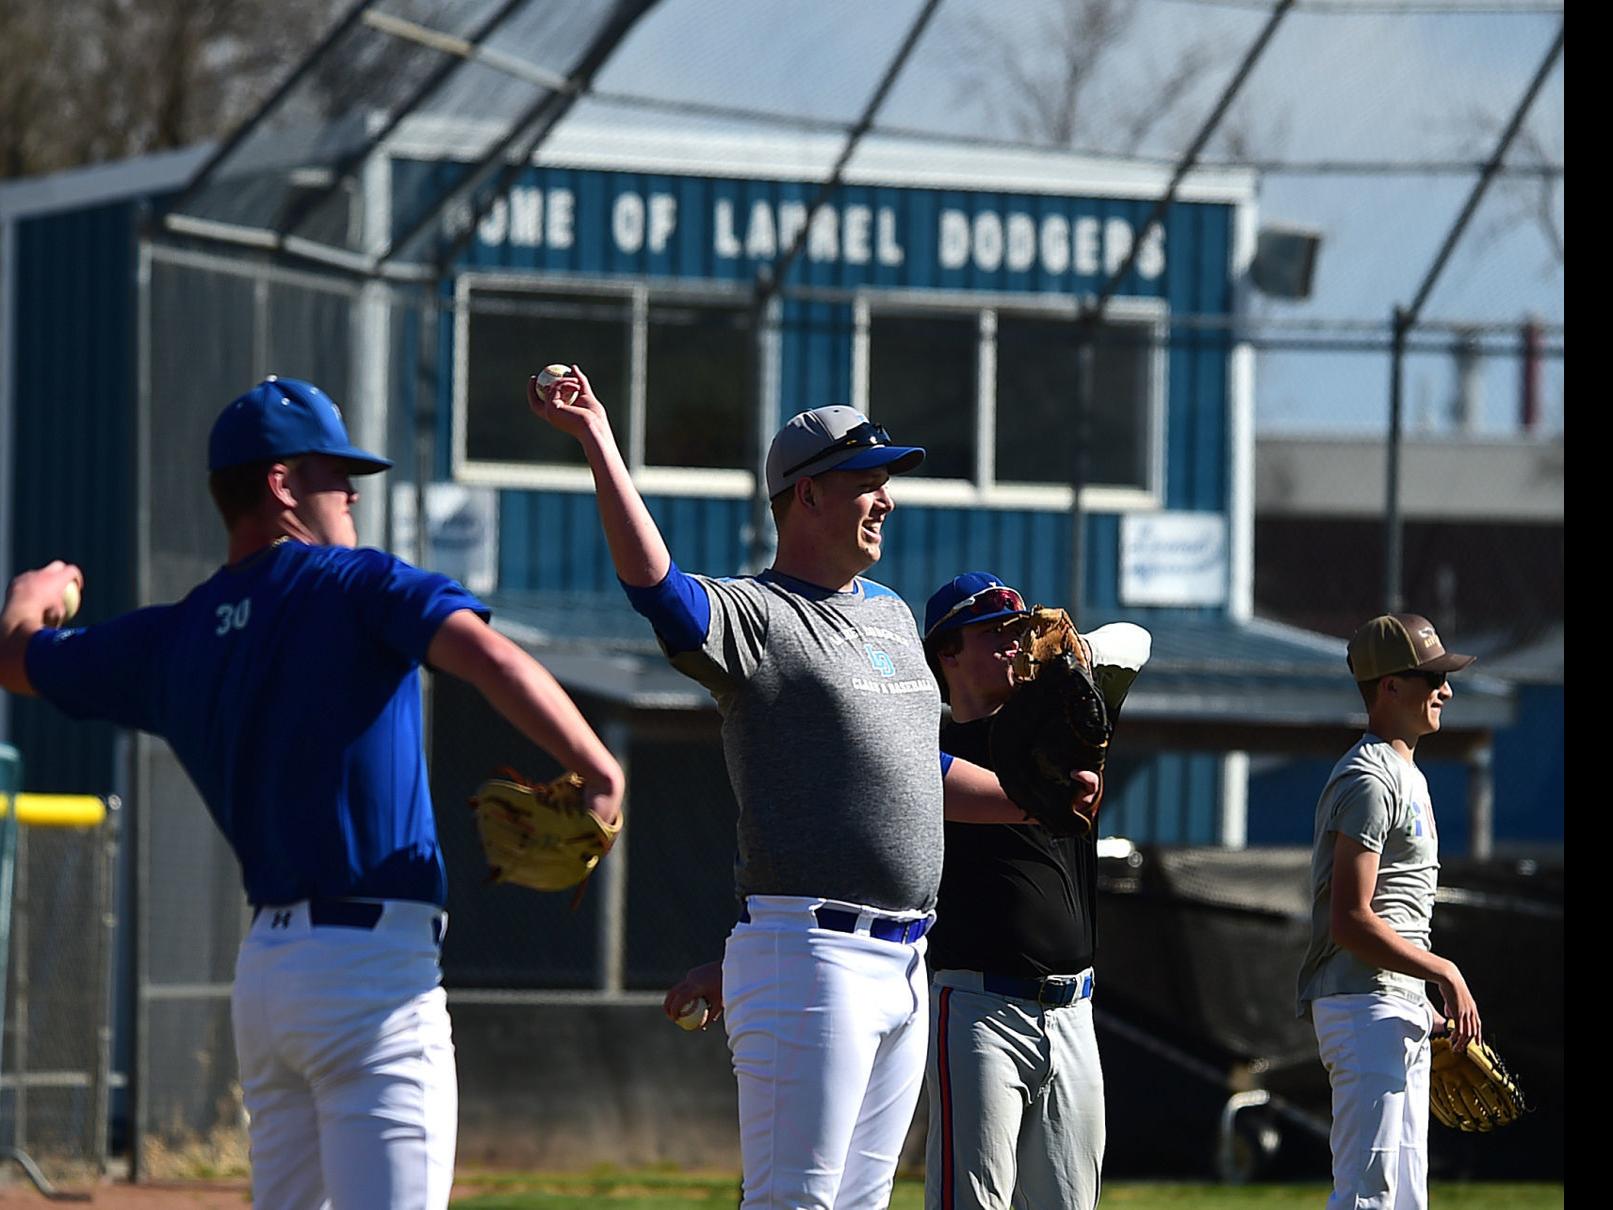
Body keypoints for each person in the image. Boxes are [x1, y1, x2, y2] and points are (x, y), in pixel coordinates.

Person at [0, 376, 624, 1210]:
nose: (353, 493)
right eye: (337, 475)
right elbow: (490, 657)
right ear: (281, 484)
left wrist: (27, 601)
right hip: (372, 973)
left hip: (268, 979)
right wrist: (598, 767)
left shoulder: (171, 637)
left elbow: (17, 660)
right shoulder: (354, 584)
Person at [533, 367, 1094, 1210]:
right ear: (806, 498)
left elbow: (921, 769)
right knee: (795, 1201)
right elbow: (658, 591)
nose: (885, 500)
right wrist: (598, 441)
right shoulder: (757, 617)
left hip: (908, 960)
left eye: (885, 483)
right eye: (865, 483)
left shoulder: (894, 616)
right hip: (811, 953)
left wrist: (1033, 800)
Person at [920, 572, 1149, 1210]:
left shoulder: (1064, 724)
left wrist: (1081, 659)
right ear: (947, 653)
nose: (1015, 644)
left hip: (1075, 1009)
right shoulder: (927, 746)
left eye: (1019, 631)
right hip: (978, 1007)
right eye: (993, 632)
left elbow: (1137, 638)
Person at [1296, 612, 1482, 1210]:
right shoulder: (1371, 778)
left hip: (1387, 1001)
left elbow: (1391, 911)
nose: (1445, 690)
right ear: (1389, 687)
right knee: (1367, 1196)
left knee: (1403, 1200)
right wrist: (1442, 971)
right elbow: (1350, 919)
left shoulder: (1405, 773)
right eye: (1430, 678)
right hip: (1360, 1004)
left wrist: (1417, 999)